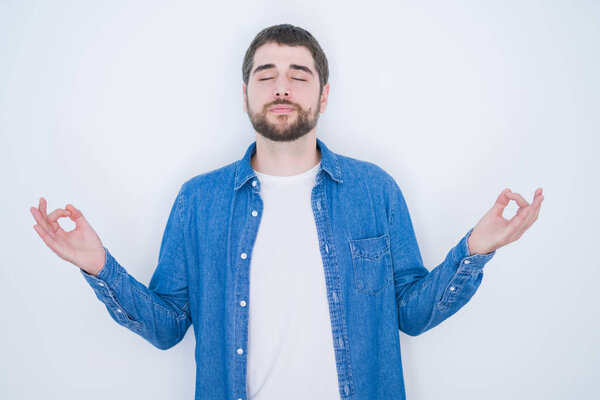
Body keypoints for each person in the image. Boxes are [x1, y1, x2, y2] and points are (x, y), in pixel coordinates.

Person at [30, 24, 544, 400]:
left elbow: (409, 314)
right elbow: (167, 328)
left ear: (323, 96)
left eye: (299, 76)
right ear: (247, 94)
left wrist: (475, 251)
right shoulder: (199, 200)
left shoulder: (374, 190)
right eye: (266, 75)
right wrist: (100, 267)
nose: (281, 87)